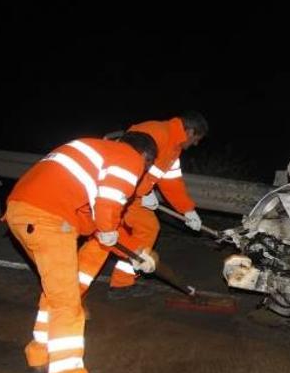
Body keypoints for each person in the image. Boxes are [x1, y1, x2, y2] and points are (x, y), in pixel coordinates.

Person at [5, 132, 158, 373]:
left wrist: (135, 251)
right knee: (68, 303)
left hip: (21, 212)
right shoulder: (129, 156)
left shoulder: (93, 152)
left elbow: (94, 225)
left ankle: (40, 355)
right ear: (144, 158)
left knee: (56, 293)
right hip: (49, 219)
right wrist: (112, 230)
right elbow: (109, 206)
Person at [77, 111, 208, 299]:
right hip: (116, 192)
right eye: (196, 139)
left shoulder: (174, 147)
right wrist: (139, 189)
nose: (195, 144)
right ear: (190, 131)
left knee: (148, 227)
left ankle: (122, 283)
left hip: (133, 197)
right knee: (103, 240)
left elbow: (171, 183)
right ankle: (72, 293)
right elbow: (126, 159)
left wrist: (187, 210)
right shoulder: (156, 132)